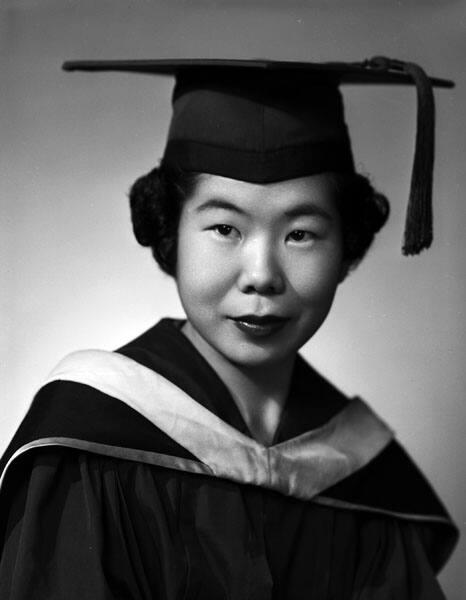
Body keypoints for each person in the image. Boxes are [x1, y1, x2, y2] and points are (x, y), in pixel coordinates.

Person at [0, 57, 459, 599]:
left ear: (347, 247)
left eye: (302, 234)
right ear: (169, 229)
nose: (262, 275)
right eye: (225, 228)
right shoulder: (86, 447)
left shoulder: (365, 478)